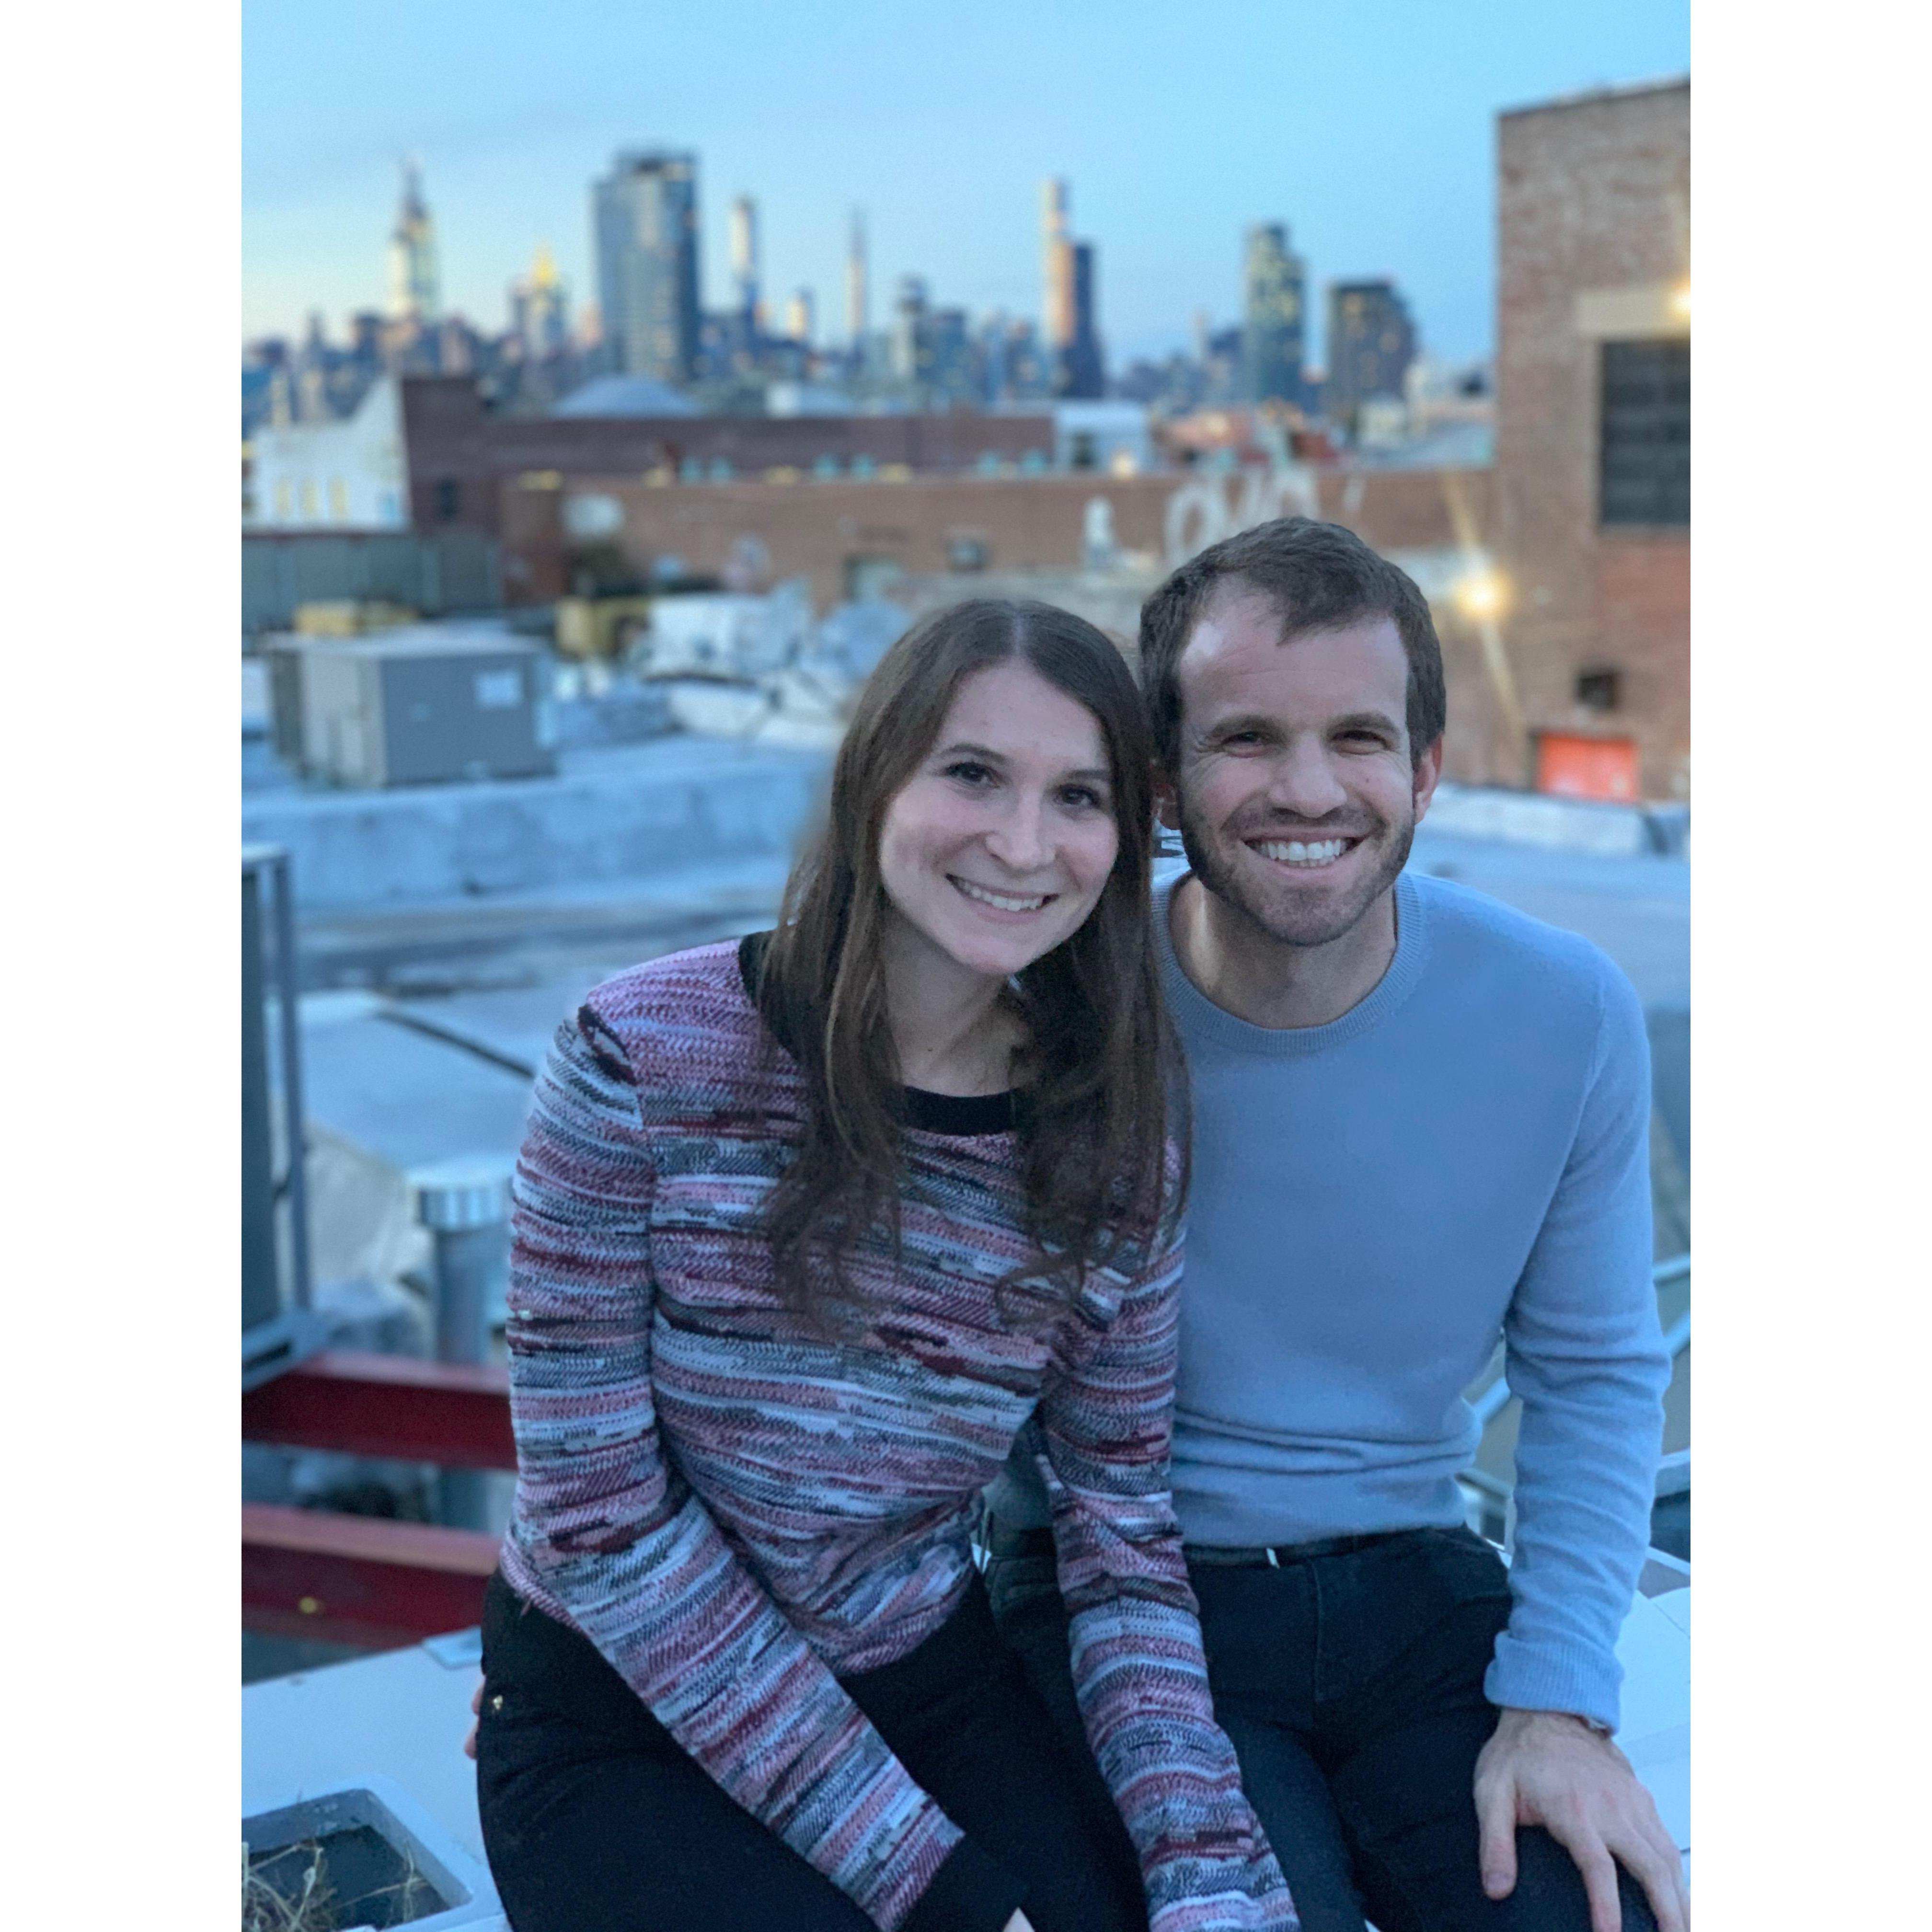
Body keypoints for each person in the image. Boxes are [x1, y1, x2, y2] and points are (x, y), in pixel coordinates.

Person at [472, 599, 1293, 1932]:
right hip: (618, 1702)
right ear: (877, 782)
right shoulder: (637, 1060)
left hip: (917, 1672)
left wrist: (1207, 1874)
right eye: (973, 773)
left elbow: (1119, 1532)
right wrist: (940, 1889)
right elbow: (599, 1522)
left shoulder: (1110, 1147)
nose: (1022, 843)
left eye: (1078, 797)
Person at [984, 520, 1689, 1932]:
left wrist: (1560, 1704)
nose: (1308, 790)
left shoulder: (1563, 1011)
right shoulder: (1047, 1004)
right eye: (1247, 739)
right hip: (1120, 1596)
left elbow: (1595, 1372)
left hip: (1417, 1585)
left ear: (1424, 768)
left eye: (1358, 738)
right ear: (1165, 777)